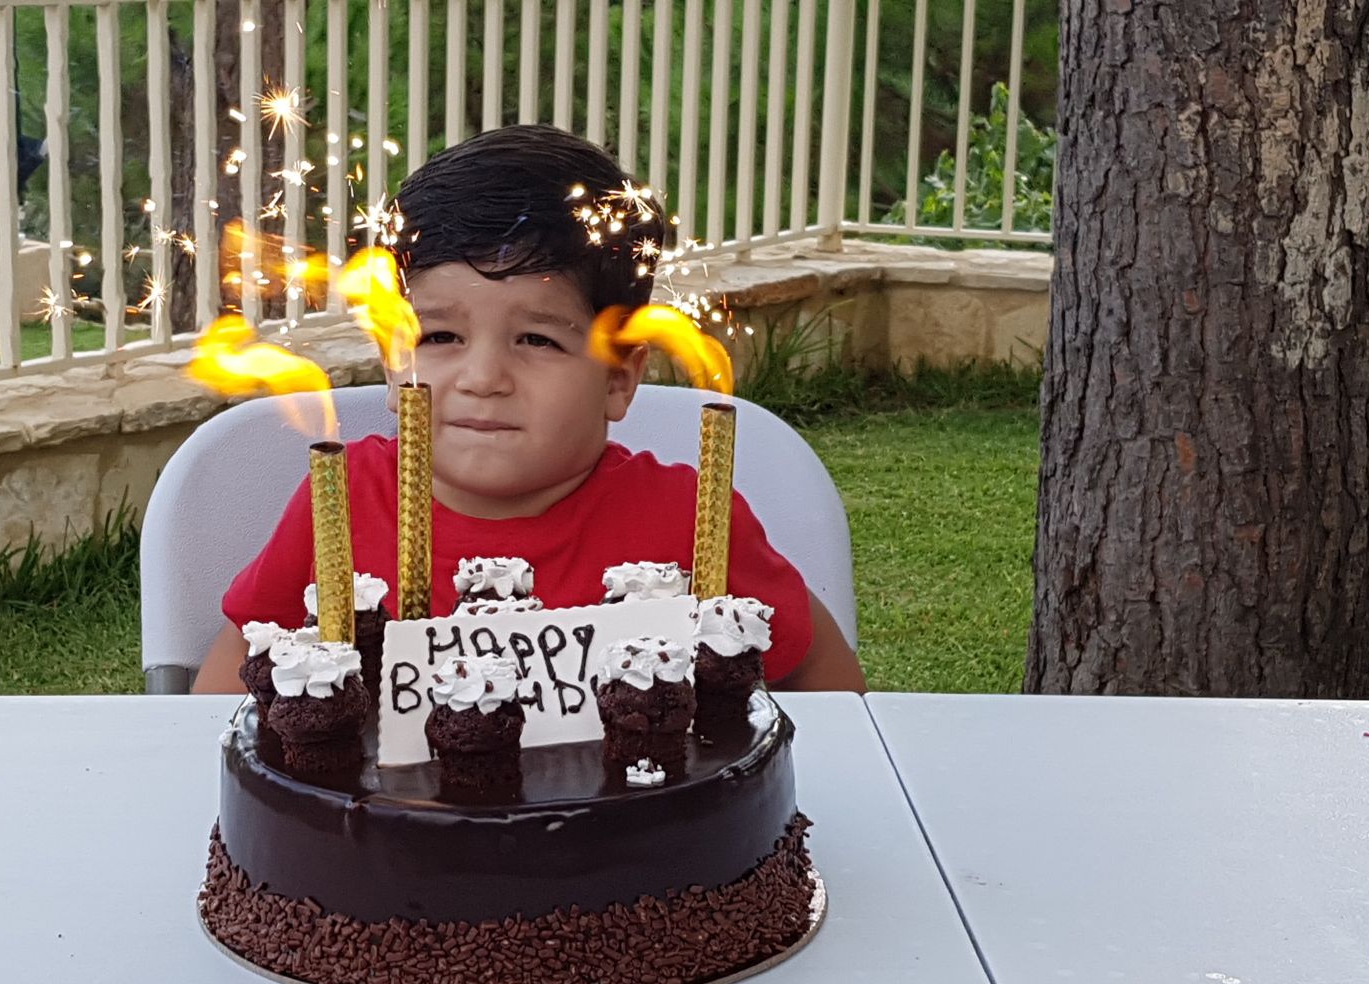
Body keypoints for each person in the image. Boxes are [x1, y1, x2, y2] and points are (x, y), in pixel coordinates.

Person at [192, 125, 865, 693]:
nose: (484, 378)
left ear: (618, 377)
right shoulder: (337, 507)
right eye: (440, 337)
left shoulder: (690, 523)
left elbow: (823, 681)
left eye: (537, 340)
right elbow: (226, 687)